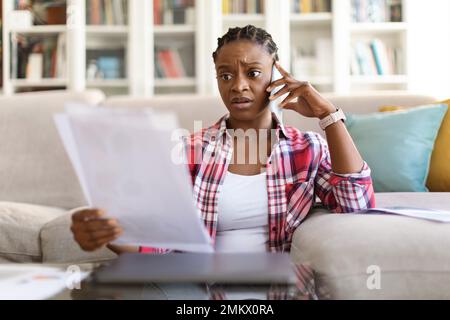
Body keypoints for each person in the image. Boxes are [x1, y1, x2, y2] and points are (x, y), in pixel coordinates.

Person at [70, 25, 375, 255]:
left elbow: (357, 207)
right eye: (225, 76)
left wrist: (328, 114)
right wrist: (108, 236)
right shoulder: (188, 150)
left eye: (253, 73)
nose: (237, 86)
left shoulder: (306, 149)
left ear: (276, 75)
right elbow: (160, 243)